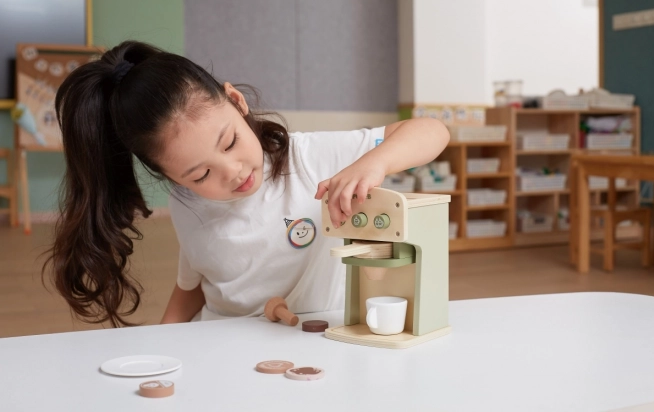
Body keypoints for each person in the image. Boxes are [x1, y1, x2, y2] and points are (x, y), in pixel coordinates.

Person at [45, 41, 450, 327]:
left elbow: (432, 131)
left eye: (231, 141)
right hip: (225, 346)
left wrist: (373, 163)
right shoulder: (186, 202)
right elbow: (197, 282)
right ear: (170, 177)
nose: (232, 172)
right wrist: (163, 342)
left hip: (310, 343)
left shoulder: (309, 158)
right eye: (200, 174)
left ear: (237, 103)